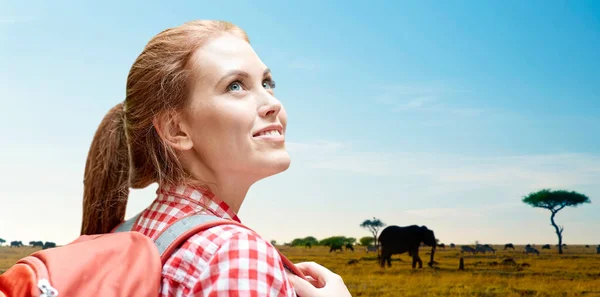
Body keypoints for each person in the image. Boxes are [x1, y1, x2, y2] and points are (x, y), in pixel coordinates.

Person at [80, 20, 352, 297]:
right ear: (177, 129)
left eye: (267, 83)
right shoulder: (236, 255)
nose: (273, 103)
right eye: (235, 86)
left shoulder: (124, 234)